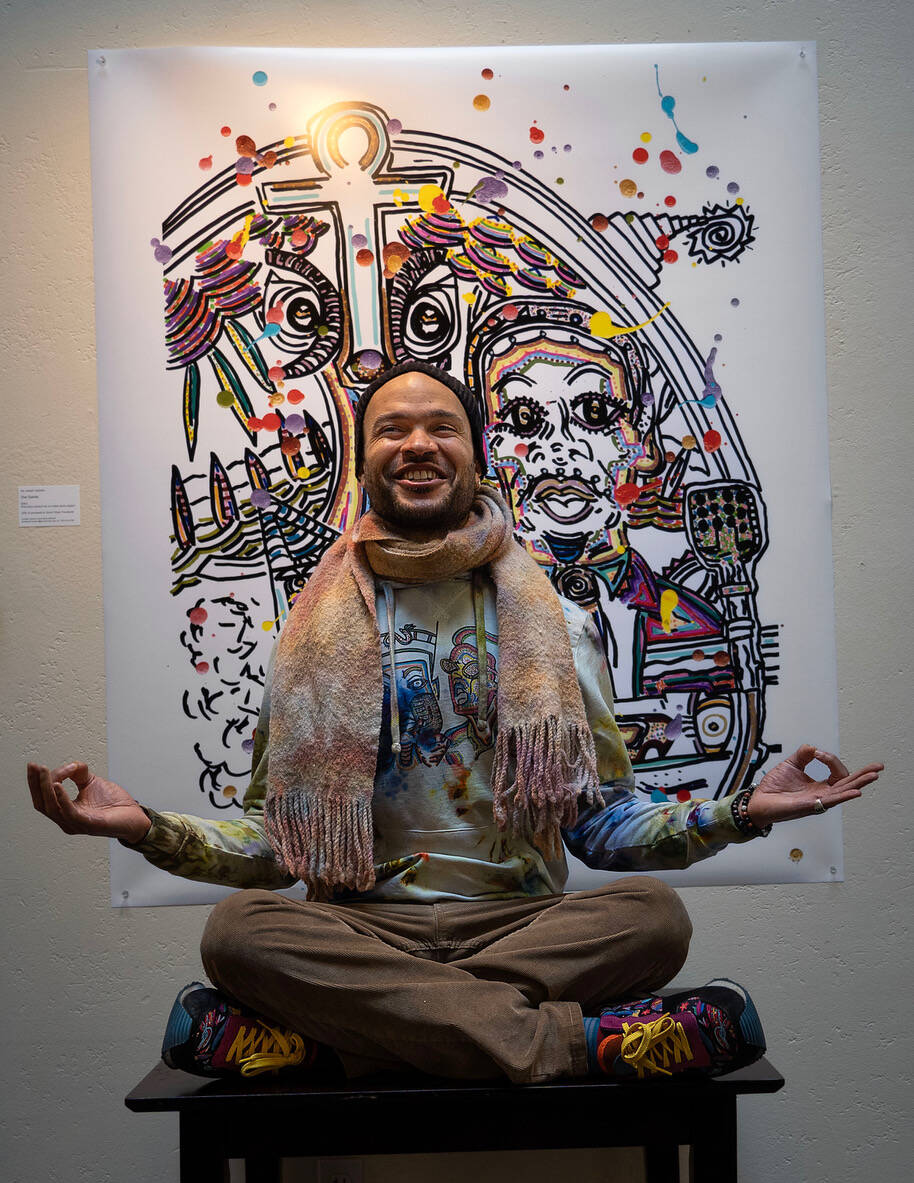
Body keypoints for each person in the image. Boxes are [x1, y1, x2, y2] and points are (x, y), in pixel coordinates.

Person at [27, 361, 882, 1085]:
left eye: (442, 427)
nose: (418, 445)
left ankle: (340, 1044)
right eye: (392, 429)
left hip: (522, 928)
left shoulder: (559, 623)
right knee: (240, 935)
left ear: (475, 454)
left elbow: (603, 823)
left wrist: (738, 812)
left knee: (654, 916)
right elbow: (277, 845)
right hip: (361, 927)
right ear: (365, 459)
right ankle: (574, 1046)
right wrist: (143, 828)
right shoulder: (310, 634)